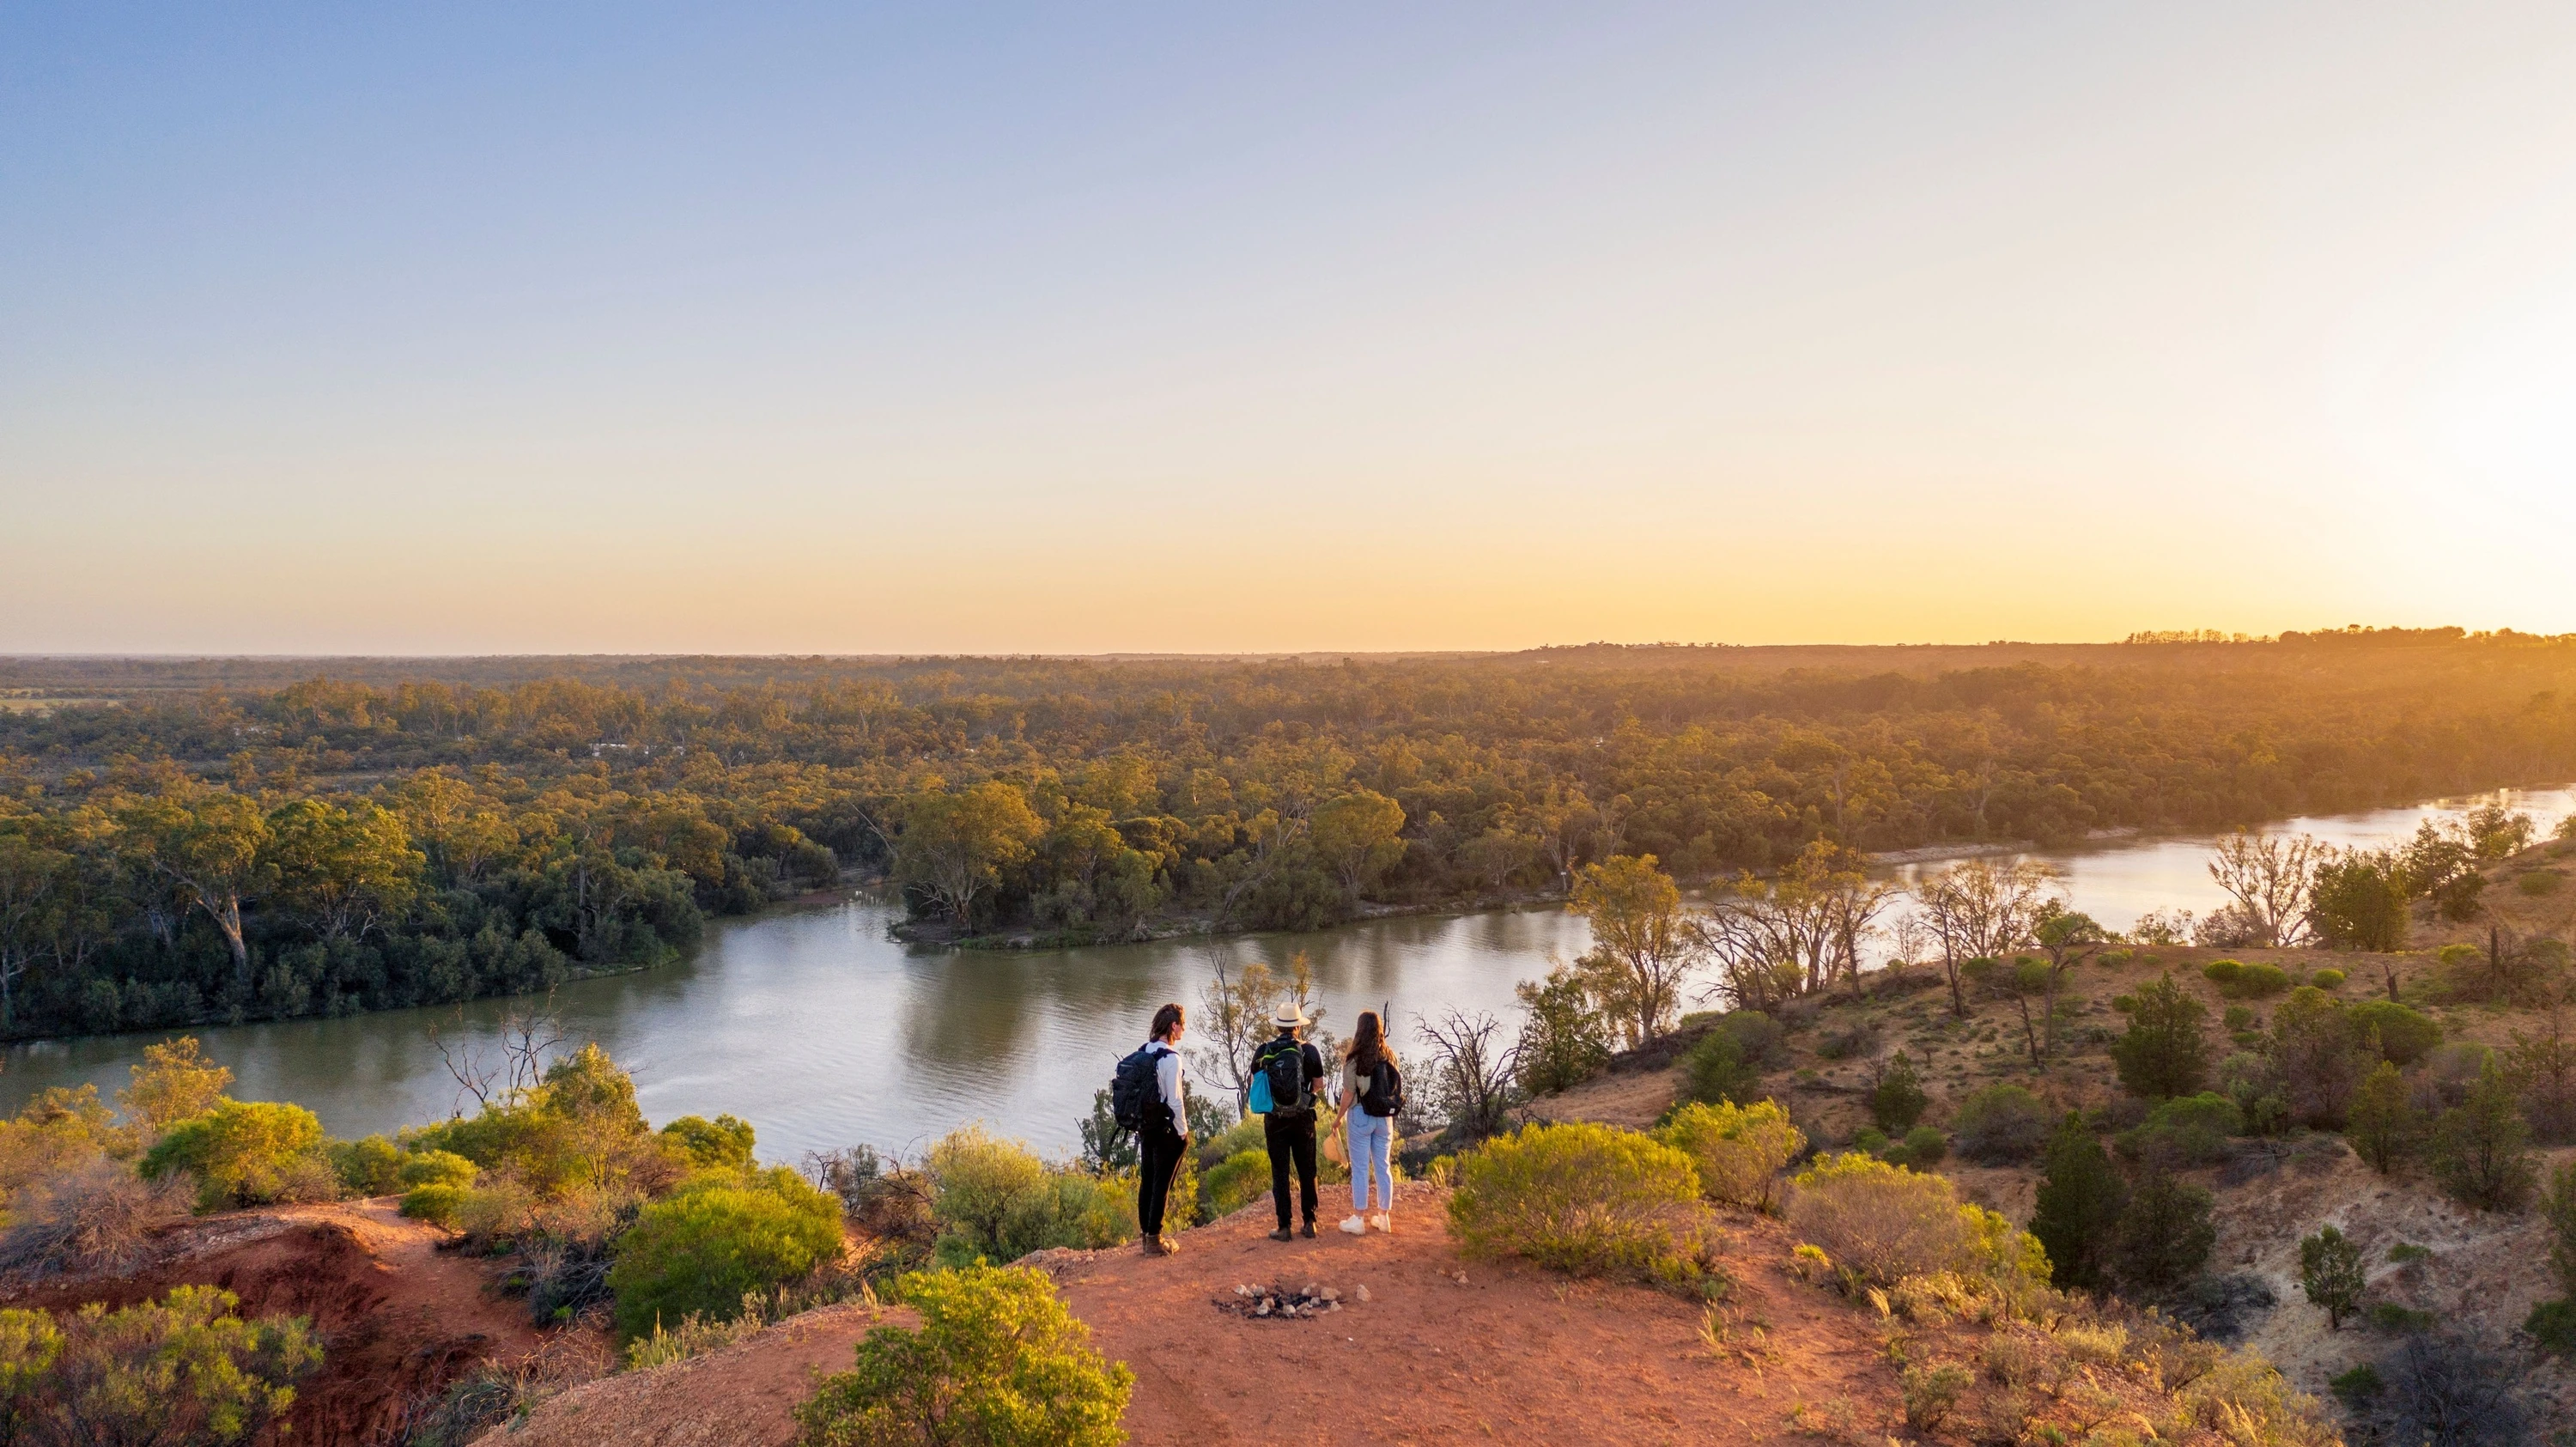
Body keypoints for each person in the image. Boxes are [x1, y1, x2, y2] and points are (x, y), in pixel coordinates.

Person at [1250, 1002, 1326, 1241]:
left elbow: (1257, 1081)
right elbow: (1319, 1085)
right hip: (1303, 1119)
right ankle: (1310, 1222)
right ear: (1297, 1027)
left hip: (1275, 1121)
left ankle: (1284, 1227)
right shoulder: (1309, 1051)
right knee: (1307, 1170)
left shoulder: (1264, 1050)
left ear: (1279, 1026)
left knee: (1280, 1172)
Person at [1337, 1009, 1401, 1236]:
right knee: (1383, 1166)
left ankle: (1358, 1218)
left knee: (1361, 1168)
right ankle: (1384, 1218)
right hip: (1385, 1118)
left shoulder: (1355, 1060)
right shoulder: (1389, 1056)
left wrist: (1337, 1119)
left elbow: (1348, 1093)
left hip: (1361, 1117)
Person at [1136, 1002, 1191, 1256]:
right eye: (1182, 1024)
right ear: (1173, 1026)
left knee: (1147, 1181)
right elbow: (1175, 1100)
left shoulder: (1145, 1050)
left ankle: (1146, 1236)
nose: (1184, 1029)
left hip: (1146, 1128)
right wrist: (1183, 1131)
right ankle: (1155, 1239)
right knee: (1162, 1183)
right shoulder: (1171, 1058)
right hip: (1167, 1130)